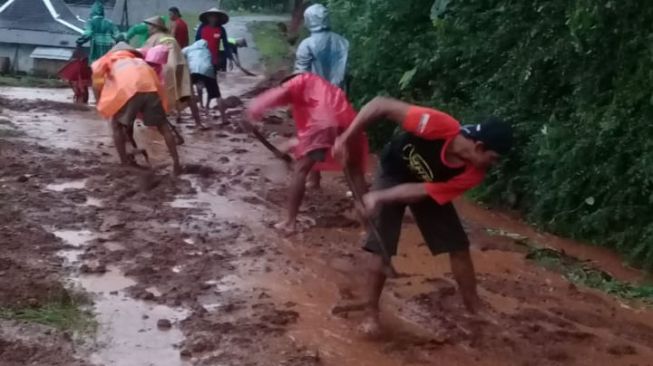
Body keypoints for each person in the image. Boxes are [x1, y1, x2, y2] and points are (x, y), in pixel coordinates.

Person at [332, 97, 513, 335]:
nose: (493, 166)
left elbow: (419, 193)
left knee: (458, 246)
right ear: (479, 147)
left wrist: (379, 197)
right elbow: (379, 105)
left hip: (426, 185)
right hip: (394, 171)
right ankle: (371, 313)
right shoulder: (438, 125)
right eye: (493, 158)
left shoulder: (473, 173)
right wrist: (347, 138)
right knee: (381, 244)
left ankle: (474, 308)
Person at [244, 72, 369, 235]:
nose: (288, 105)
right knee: (354, 172)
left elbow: (280, 95)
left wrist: (253, 110)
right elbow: (313, 129)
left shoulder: (298, 81)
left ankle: (289, 222)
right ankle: (370, 223)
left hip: (322, 124)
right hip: (344, 122)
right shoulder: (320, 87)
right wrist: (294, 144)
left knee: (300, 170)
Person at [92, 42, 181, 175]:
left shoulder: (107, 60)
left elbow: (97, 84)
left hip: (128, 90)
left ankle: (124, 163)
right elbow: (157, 83)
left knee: (116, 125)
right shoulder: (139, 61)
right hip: (151, 89)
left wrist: (100, 103)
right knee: (163, 127)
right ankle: (177, 164)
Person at [144, 16, 205, 129]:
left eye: (149, 26)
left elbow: (145, 55)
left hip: (166, 67)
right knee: (186, 93)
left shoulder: (153, 39)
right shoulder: (170, 37)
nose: (148, 28)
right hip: (181, 65)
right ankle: (198, 123)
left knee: (158, 95)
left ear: (155, 27)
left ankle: (157, 125)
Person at [295, 4, 349, 89]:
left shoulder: (306, 45)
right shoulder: (342, 41)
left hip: (315, 94)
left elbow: (301, 73)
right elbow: (345, 72)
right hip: (338, 94)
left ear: (310, 20)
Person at [182, 40, 227, 121]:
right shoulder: (207, 51)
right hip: (207, 70)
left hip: (193, 71)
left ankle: (196, 119)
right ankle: (224, 118)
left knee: (190, 94)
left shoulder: (188, 49)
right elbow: (211, 64)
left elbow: (180, 57)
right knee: (217, 95)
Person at [195, 8, 231, 74]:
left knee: (213, 79)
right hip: (202, 58)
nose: (213, 18)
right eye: (211, 16)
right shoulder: (202, 28)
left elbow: (225, 44)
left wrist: (230, 58)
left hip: (214, 59)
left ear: (218, 18)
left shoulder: (221, 29)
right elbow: (196, 42)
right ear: (207, 17)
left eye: (215, 17)